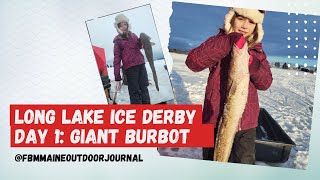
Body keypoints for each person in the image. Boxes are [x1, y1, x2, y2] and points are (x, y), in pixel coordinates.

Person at [185, 8, 273, 164]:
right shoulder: (217, 42)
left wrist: (252, 64)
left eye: (251, 21)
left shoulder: (257, 52)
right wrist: (227, 41)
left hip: (245, 125)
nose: (245, 25)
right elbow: (193, 62)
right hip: (212, 119)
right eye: (240, 18)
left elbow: (265, 83)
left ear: (256, 26)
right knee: (212, 162)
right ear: (231, 18)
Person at [113, 14, 150, 104]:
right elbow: (117, 59)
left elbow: (139, 46)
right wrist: (117, 77)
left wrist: (141, 41)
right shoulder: (117, 41)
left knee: (144, 88)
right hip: (130, 69)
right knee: (134, 91)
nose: (123, 27)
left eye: (125, 24)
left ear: (127, 24)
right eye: (120, 25)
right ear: (118, 27)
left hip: (141, 64)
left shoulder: (133, 35)